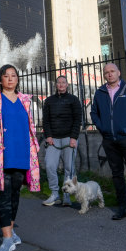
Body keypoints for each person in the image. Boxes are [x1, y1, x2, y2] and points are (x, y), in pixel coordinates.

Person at [0, 64, 40, 251]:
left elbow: (30, 126)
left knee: (15, 195)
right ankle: (6, 239)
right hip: (1, 156)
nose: (10, 79)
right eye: (6, 76)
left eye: (14, 75)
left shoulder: (25, 100)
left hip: (22, 154)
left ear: (17, 79)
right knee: (3, 196)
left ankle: (10, 232)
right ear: (0, 80)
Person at [90, 63, 126, 223]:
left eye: (112, 71)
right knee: (117, 175)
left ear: (119, 72)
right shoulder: (100, 92)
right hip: (109, 140)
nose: (109, 74)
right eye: (106, 72)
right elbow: (93, 113)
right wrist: (102, 127)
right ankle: (123, 208)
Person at [42, 75, 82, 206]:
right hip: (53, 139)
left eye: (63, 82)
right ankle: (54, 194)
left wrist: (73, 137)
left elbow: (77, 120)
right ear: (56, 85)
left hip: (68, 139)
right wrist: (48, 136)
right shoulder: (48, 101)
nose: (61, 85)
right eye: (59, 82)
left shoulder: (74, 100)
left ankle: (67, 196)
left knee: (69, 169)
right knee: (49, 165)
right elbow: (46, 121)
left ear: (67, 85)